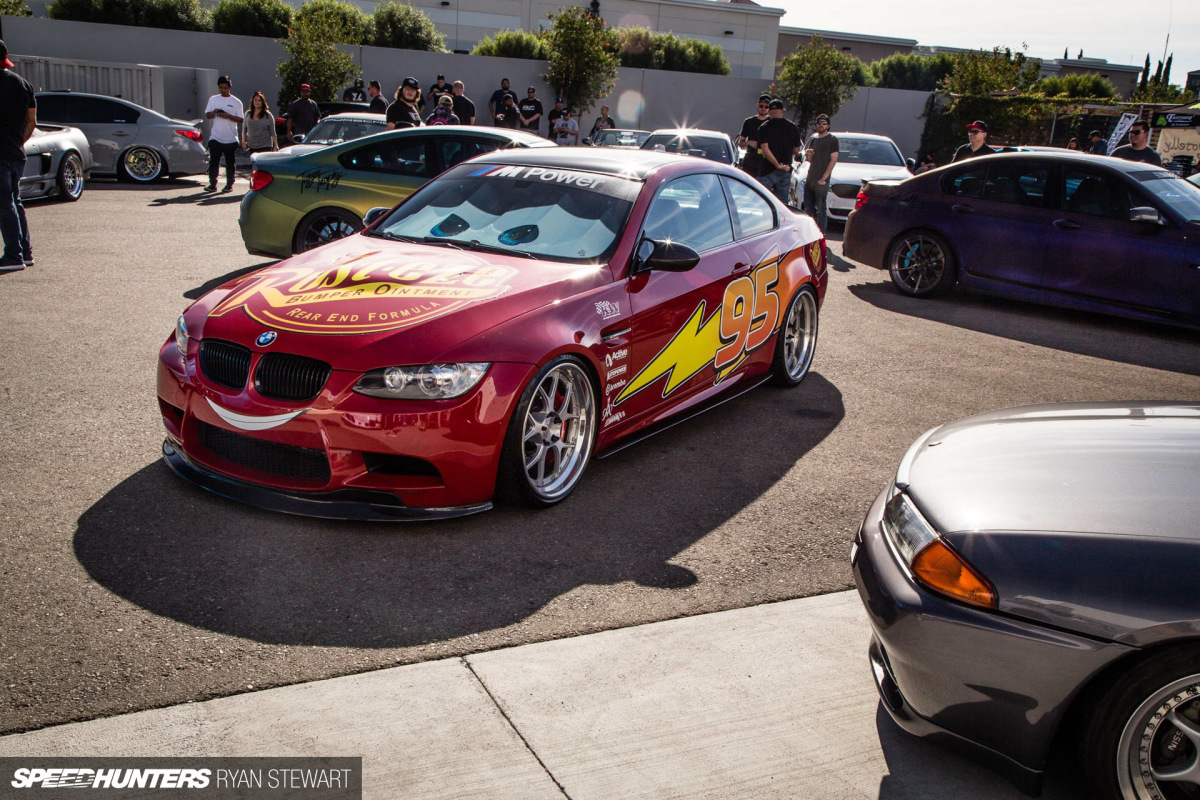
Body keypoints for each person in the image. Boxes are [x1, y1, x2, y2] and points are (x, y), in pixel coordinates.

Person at [0, 39, 35, 272]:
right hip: (16, 152)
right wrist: (18, 142)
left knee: (5, 204)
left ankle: (13, 256)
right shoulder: (23, 83)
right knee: (15, 202)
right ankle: (25, 251)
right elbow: (32, 121)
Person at [747, 98, 800, 205]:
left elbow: (765, 150)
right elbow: (796, 150)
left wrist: (776, 165)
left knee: (762, 203)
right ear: (782, 111)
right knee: (781, 204)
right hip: (785, 169)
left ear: (769, 111)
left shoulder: (764, 127)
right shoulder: (793, 127)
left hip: (766, 170)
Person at [204, 75, 243, 193]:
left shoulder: (236, 102)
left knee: (230, 163)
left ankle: (229, 184)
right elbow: (208, 115)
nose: (223, 90)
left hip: (230, 138)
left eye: (225, 88)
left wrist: (229, 116)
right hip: (216, 136)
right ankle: (212, 184)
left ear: (230, 87)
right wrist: (215, 112)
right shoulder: (213, 99)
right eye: (221, 88)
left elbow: (240, 119)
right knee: (213, 162)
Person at [800, 112, 837, 229]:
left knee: (821, 209)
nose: (821, 125)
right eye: (819, 123)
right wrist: (808, 155)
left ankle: (821, 235)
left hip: (822, 180)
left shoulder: (832, 139)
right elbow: (810, 159)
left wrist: (824, 178)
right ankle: (810, 233)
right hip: (810, 178)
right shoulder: (814, 139)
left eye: (824, 123)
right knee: (808, 208)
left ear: (828, 126)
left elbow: (833, 160)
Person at [736, 94, 771, 177]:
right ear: (757, 105)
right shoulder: (749, 122)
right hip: (751, 160)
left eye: (766, 107)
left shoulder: (772, 123)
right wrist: (749, 142)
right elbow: (740, 143)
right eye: (761, 106)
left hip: (767, 161)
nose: (763, 109)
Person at [241, 91, 277, 156]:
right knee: (254, 164)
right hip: (252, 145)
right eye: (255, 100)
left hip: (265, 145)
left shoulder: (268, 115)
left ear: (263, 102)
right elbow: (244, 129)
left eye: (259, 100)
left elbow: (273, 132)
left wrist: (276, 145)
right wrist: (243, 142)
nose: (257, 102)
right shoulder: (248, 114)